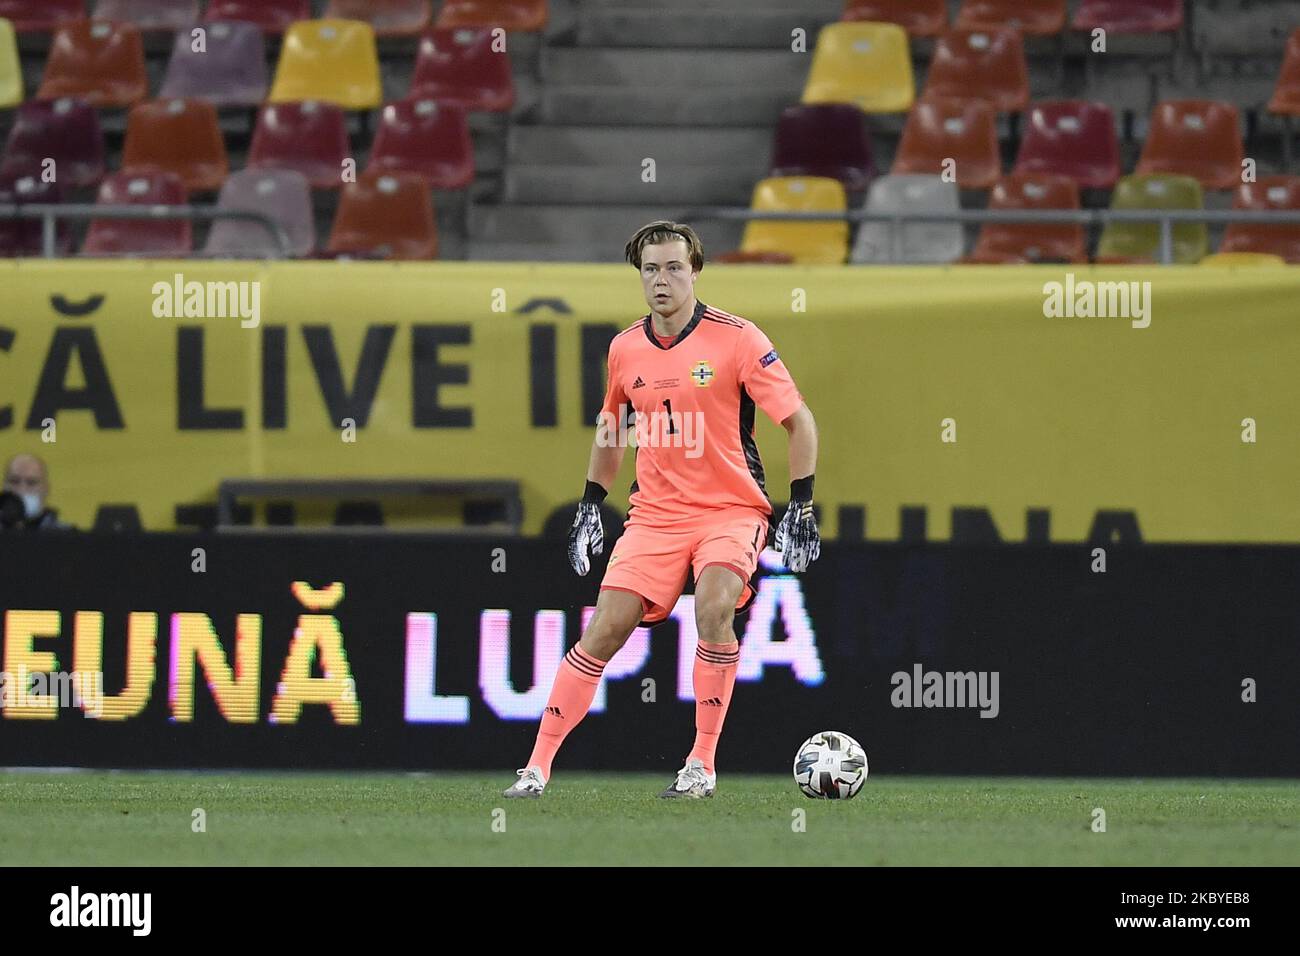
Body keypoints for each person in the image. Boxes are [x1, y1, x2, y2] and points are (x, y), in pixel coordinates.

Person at [503, 221, 821, 799]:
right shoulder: (625, 348)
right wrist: (589, 506)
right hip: (654, 517)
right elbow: (611, 429)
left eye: (675, 268)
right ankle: (536, 769)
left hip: (730, 510)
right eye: (651, 269)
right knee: (604, 630)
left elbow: (799, 420)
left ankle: (700, 764)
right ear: (640, 275)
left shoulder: (739, 338)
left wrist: (801, 504)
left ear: (695, 271)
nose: (662, 280)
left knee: (715, 606)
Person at [1, 454, 73, 531]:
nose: (22, 489)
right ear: (4, 486)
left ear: (46, 489)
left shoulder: (66, 536)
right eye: (14, 481)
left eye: (31, 482)